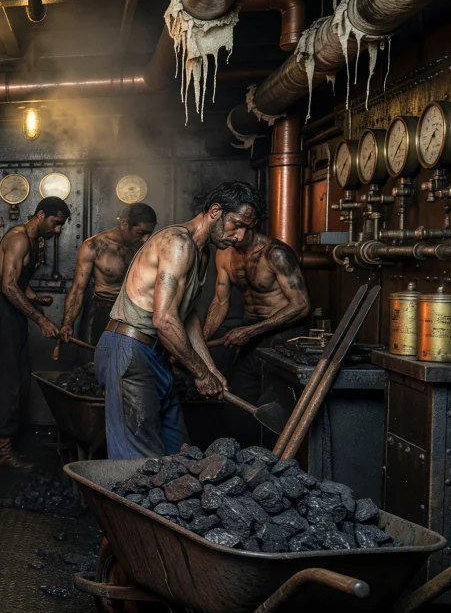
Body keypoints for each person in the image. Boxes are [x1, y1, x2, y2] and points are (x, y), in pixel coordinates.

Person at [96, 181, 261, 459]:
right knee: (138, 463)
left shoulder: (203, 253)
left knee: (180, 454)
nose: (240, 236)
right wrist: (200, 373)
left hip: (158, 354)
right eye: (237, 224)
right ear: (215, 211)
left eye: (247, 229)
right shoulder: (177, 244)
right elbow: (164, 320)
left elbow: (186, 315)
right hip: (130, 350)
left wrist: (211, 369)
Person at [202, 226, 311, 441]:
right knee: (237, 410)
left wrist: (251, 331)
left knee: (276, 411)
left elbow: (302, 305)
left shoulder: (275, 253)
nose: (239, 236)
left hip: (284, 339)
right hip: (252, 340)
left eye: (244, 227)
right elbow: (220, 301)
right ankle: (248, 467)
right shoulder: (225, 253)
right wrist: (200, 342)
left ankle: (278, 466)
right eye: (233, 228)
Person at [0, 197, 71, 469]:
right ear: (40, 215)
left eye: (61, 225)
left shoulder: (34, 242)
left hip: (13, 313)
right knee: (7, 381)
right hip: (3, 314)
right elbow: (8, 287)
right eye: (56, 223)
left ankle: (7, 439)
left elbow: (18, 283)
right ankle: (0, 450)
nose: (57, 230)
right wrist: (40, 320)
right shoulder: (19, 239)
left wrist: (37, 298)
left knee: (18, 378)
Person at [61, 203, 156, 345]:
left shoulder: (148, 248)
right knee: (95, 364)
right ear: (124, 224)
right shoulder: (94, 246)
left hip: (136, 317)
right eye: (141, 233)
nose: (145, 239)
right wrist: (67, 323)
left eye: (149, 233)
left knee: (129, 365)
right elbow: (77, 290)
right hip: (102, 314)